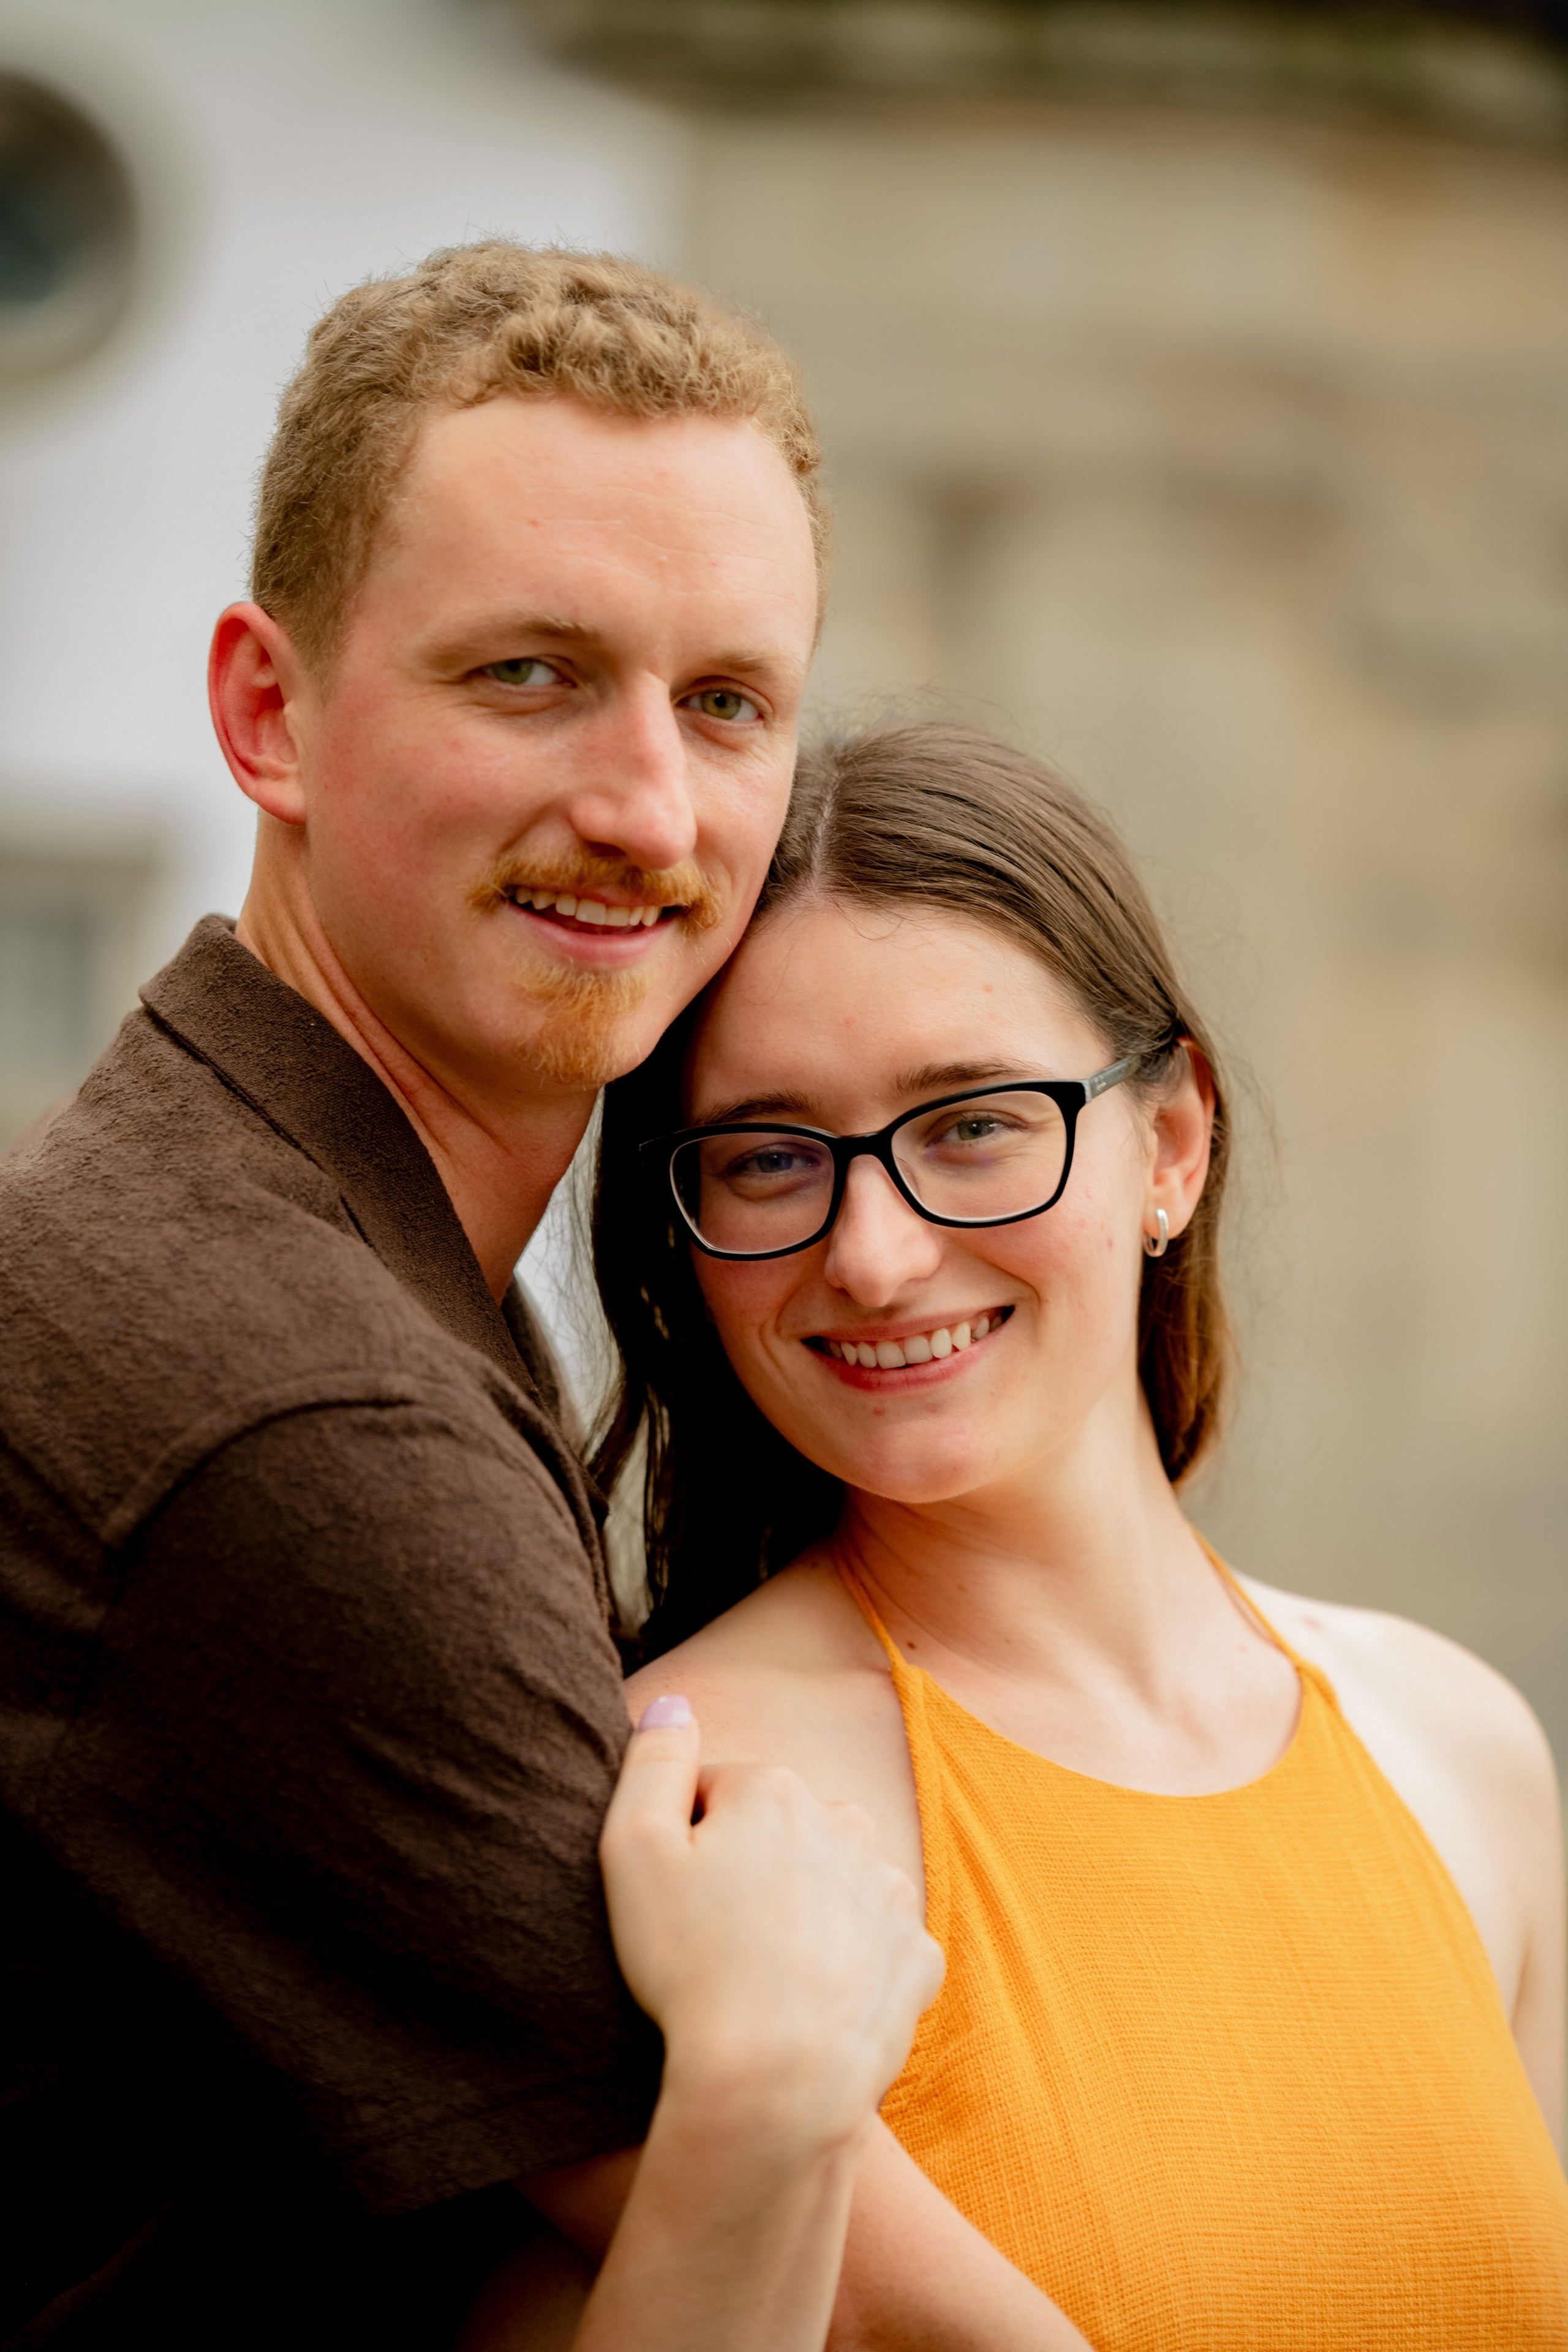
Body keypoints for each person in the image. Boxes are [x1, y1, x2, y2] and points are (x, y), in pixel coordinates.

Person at [0, 250, 1079, 2352]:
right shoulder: (292, 1407)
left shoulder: (274, 1218)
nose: (648, 812)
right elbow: (925, 2329)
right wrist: (784, 2057)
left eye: (729, 704)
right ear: (269, 715)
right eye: (530, 676)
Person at [595, 717, 1568, 2350]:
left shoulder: (1459, 1746)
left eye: (973, 1122)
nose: (881, 1257)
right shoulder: (682, 1813)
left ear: (1170, 1143)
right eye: (771, 1157)